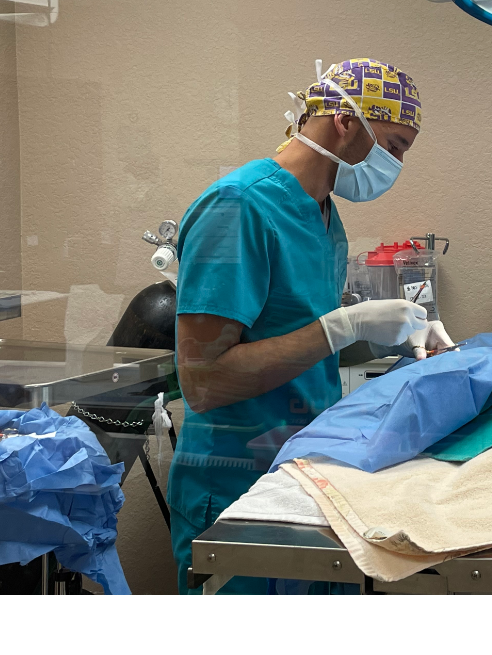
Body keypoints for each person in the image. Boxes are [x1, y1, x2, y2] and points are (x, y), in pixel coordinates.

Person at [167, 59, 454, 594]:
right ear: (345, 120)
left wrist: (394, 339)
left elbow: (297, 336)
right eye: (392, 147)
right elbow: (203, 383)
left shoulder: (323, 212)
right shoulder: (241, 206)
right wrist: (344, 326)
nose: (393, 166)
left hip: (307, 475)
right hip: (239, 482)